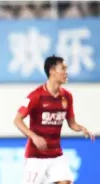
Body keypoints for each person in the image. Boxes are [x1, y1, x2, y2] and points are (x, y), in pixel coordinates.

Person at [13, 55, 95, 184]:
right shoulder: (36, 96)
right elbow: (17, 120)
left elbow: (72, 123)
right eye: (63, 68)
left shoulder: (67, 96)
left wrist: (81, 128)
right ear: (52, 71)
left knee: (66, 182)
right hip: (36, 156)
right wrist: (34, 136)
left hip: (56, 155)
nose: (66, 73)